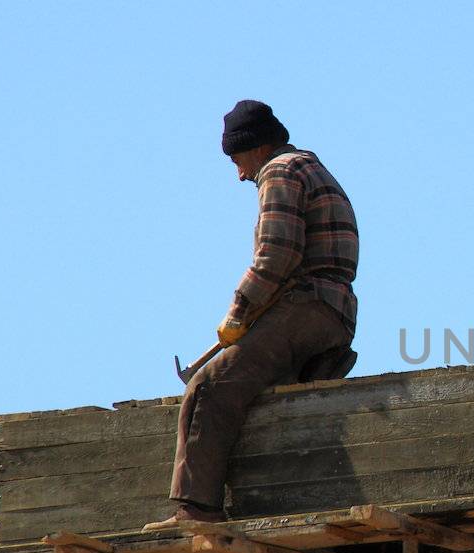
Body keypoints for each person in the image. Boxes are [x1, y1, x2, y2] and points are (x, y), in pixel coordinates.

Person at [151, 100, 359, 528]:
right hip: (332, 313)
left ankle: (197, 510)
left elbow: (276, 256)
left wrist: (238, 313)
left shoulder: (280, 171)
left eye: (236, 159)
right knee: (259, 394)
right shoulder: (310, 168)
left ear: (257, 148)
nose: (239, 174)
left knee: (209, 388)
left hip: (307, 306)